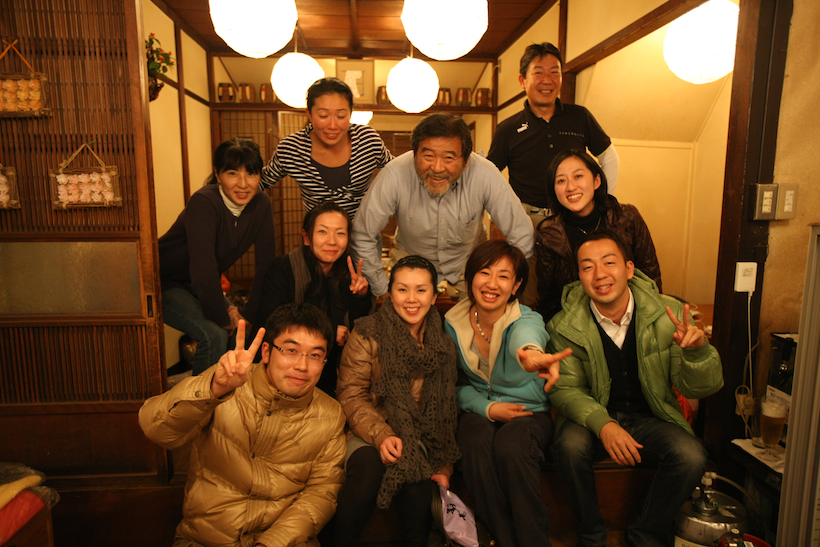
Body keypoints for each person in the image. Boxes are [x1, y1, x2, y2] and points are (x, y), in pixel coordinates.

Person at [546, 231, 724, 547]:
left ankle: (645, 531)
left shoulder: (668, 314)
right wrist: (605, 425)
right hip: (591, 418)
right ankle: (592, 533)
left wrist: (697, 353)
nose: (599, 274)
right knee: (569, 447)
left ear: (629, 269)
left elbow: (701, 387)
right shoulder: (564, 325)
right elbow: (566, 390)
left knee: (691, 455)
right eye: (587, 267)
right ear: (579, 276)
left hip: (650, 416)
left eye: (609, 263)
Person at [139, 304, 346, 547]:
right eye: (291, 350)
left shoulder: (330, 414)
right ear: (266, 352)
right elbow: (157, 430)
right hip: (206, 539)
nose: (302, 366)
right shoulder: (227, 384)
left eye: (315, 355)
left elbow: (322, 493)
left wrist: (272, 542)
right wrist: (214, 389)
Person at [443, 240, 572, 547]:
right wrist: (487, 409)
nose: (492, 283)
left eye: (503, 276)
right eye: (484, 272)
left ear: (515, 286)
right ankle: (501, 539)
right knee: (473, 440)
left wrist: (531, 356)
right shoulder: (452, 323)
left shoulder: (527, 319)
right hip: (478, 409)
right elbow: (452, 385)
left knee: (512, 446)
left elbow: (527, 340)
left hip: (528, 412)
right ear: (470, 277)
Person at [331, 255, 460, 547]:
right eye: (403, 289)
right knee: (367, 472)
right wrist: (382, 435)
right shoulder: (367, 333)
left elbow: (446, 411)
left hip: (418, 437)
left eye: (421, 290)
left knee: (417, 482)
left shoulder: (443, 345)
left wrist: (443, 467)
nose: (411, 299)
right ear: (390, 294)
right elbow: (351, 394)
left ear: (434, 296)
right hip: (367, 429)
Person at [351, 112, 534, 299]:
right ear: (415, 154)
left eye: (448, 158)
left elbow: (521, 233)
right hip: (410, 263)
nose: (437, 168)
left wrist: (507, 281)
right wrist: (382, 289)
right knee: (400, 315)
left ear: (466, 159)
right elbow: (362, 234)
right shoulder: (395, 174)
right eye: (428, 156)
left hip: (470, 264)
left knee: (486, 315)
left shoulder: (485, 173)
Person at [159, 138, 276, 375]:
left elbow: (267, 266)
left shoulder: (262, 204)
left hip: (198, 284)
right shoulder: (204, 202)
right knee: (213, 334)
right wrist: (224, 319)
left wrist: (244, 314)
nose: (243, 184)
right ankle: (201, 398)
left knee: (240, 331)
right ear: (218, 174)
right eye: (232, 173)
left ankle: (229, 395)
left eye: (251, 174)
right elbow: (204, 271)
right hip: (164, 282)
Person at [488, 42, 620, 228]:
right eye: (538, 73)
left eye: (554, 72)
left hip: (573, 216)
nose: (547, 80)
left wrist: (602, 202)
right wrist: (497, 214)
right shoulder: (508, 128)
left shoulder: (580, 116)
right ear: (523, 81)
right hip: (526, 220)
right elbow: (489, 175)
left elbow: (610, 158)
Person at [255, 200, 371, 396]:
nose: (332, 241)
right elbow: (271, 323)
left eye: (340, 233)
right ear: (306, 237)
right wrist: (330, 331)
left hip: (325, 374)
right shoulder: (283, 268)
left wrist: (361, 296)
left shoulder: (348, 274)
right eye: (323, 232)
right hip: (279, 370)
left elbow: (356, 331)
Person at [536, 149, 661, 322]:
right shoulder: (549, 235)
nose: (570, 187)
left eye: (578, 176)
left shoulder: (627, 218)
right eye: (561, 181)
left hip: (630, 318)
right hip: (576, 324)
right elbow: (549, 299)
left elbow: (650, 280)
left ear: (596, 181)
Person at [260, 77, 393, 219]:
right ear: (309, 114)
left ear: (350, 114)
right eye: (323, 116)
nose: (332, 125)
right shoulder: (292, 148)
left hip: (364, 230)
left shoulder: (367, 140)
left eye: (341, 116)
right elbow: (261, 181)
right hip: (318, 230)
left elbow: (397, 172)